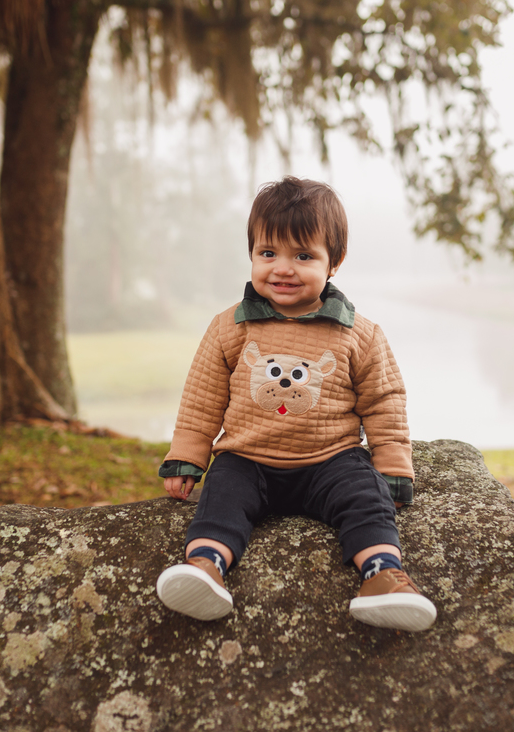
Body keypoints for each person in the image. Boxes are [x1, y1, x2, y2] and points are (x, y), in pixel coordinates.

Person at [155, 176, 436, 632]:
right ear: (251, 255)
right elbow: (202, 396)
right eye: (268, 254)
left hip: (330, 460)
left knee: (366, 499)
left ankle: (382, 576)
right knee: (220, 499)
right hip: (247, 459)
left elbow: (384, 401)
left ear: (334, 262)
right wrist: (188, 455)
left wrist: (393, 465)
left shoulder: (357, 333)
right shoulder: (230, 326)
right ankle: (206, 568)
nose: (282, 268)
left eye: (303, 256)